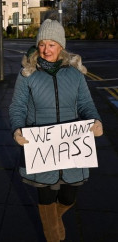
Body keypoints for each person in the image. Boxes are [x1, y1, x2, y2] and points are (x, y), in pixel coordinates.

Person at [9, 19, 103, 242]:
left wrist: (95, 121)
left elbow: (86, 105)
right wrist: (17, 130)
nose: (46, 50)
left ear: (61, 46)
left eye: (52, 44)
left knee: (69, 197)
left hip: (72, 149)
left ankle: (53, 222)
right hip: (41, 149)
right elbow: (17, 106)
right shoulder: (27, 75)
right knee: (46, 198)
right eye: (42, 44)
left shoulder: (75, 74)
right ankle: (54, 237)